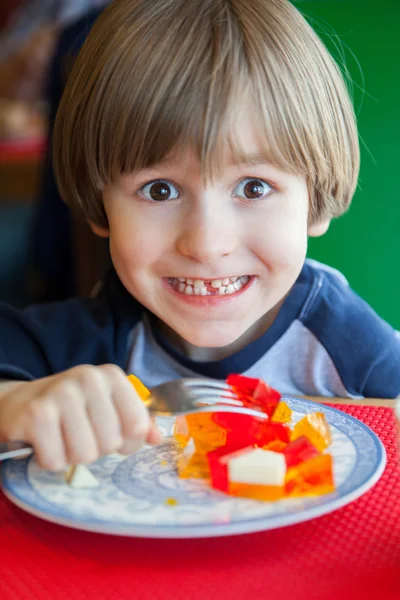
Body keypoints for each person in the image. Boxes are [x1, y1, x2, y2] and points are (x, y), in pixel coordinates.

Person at [0, 0, 399, 472]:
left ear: (312, 200)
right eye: (160, 189)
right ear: (99, 203)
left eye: (254, 187)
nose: (207, 245)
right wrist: (14, 403)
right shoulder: (97, 336)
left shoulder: (343, 342)